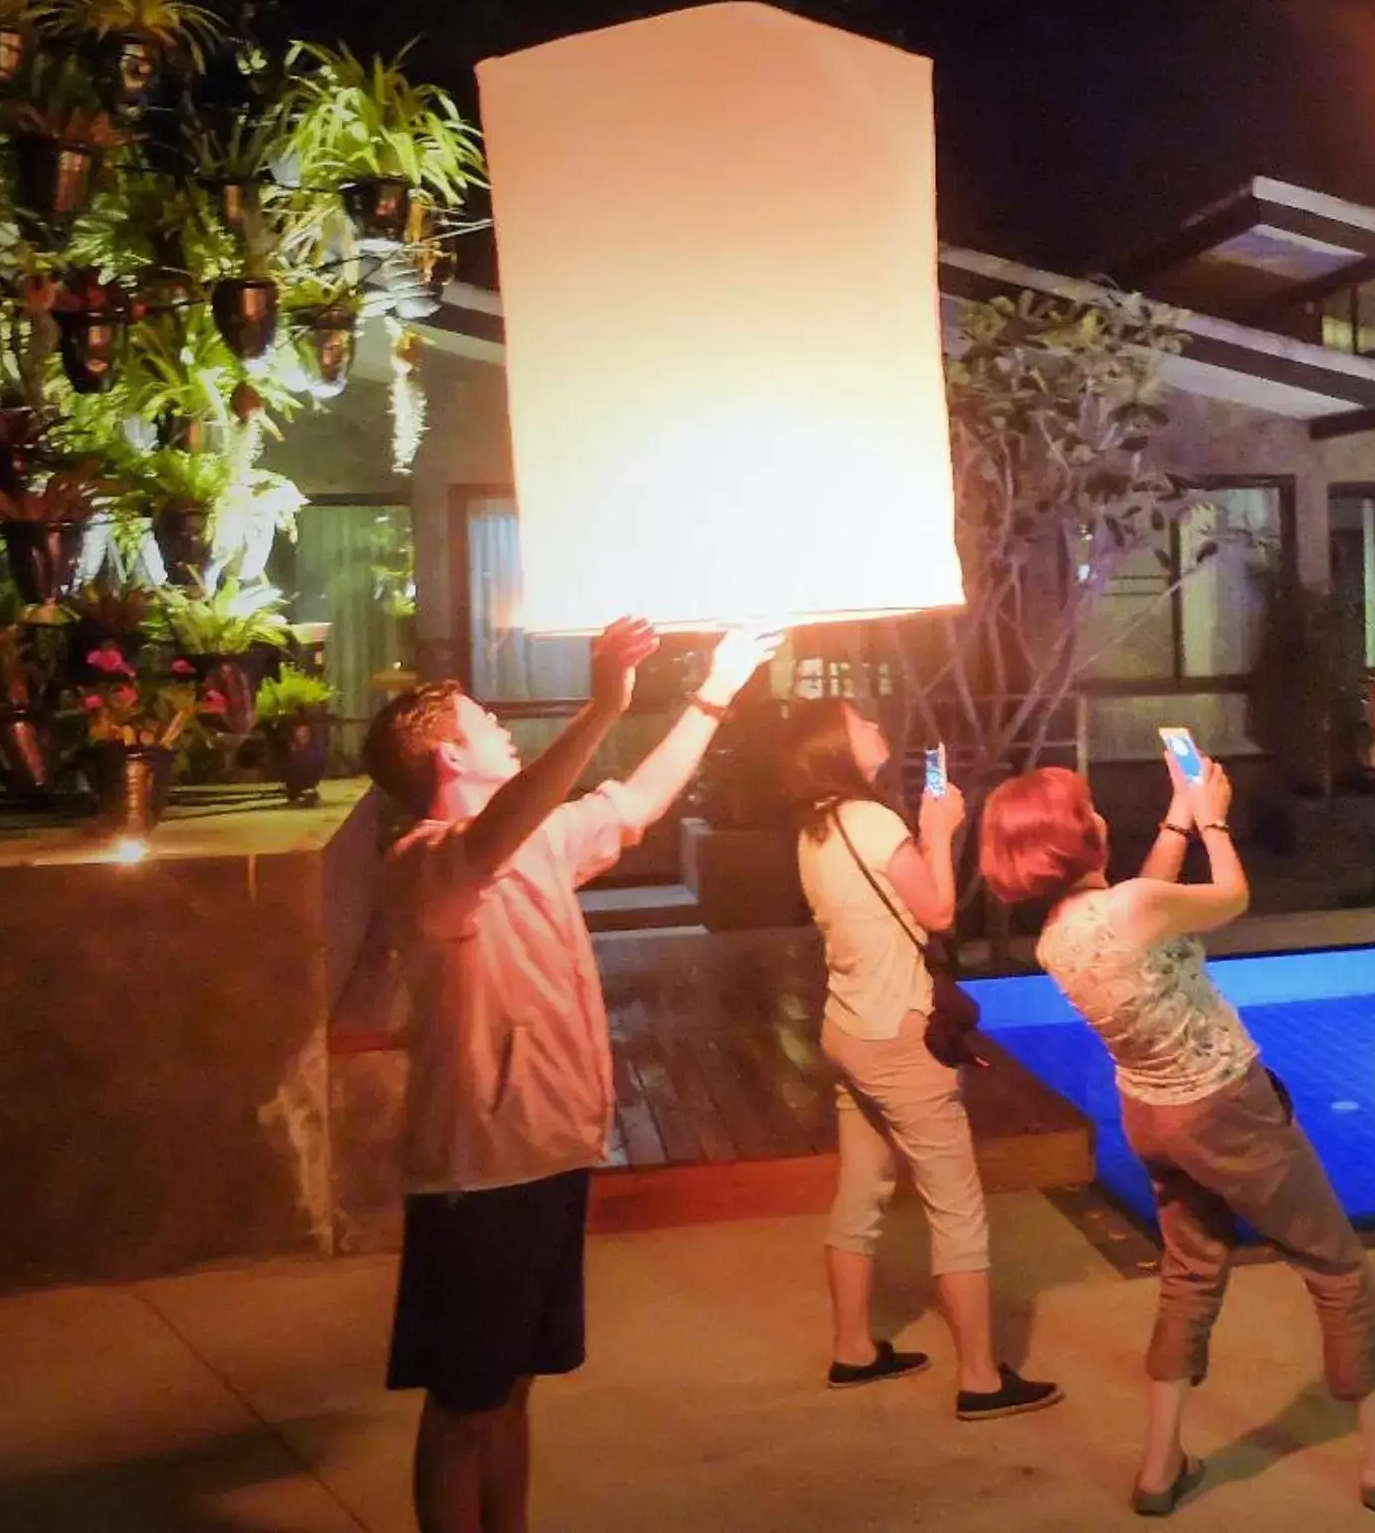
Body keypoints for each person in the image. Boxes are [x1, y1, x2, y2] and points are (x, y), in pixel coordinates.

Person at [362, 618, 780, 1533]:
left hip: (548, 1155)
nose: (504, 727)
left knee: (512, 1390)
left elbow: (635, 803)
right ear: (445, 759)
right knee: (466, 1402)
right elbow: (492, 840)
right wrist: (601, 706)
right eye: (484, 722)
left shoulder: (541, 840)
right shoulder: (426, 863)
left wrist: (716, 689)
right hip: (479, 1174)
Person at [978, 754, 1375, 1518]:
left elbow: (1148, 902)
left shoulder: (1061, 938)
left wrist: (1177, 813)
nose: (1099, 812)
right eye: (1088, 809)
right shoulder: (1133, 908)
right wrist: (1211, 819)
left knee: (1190, 1274)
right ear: (1076, 837)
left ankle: (1159, 1467)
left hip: (1151, 1118)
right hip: (1224, 1112)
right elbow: (1227, 896)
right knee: (1337, 1270)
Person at [779, 698, 1062, 1419]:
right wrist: (940, 830)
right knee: (956, 1205)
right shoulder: (874, 822)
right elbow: (937, 911)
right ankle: (980, 1379)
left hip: (847, 1027)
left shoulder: (817, 827)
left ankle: (852, 1349)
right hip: (899, 1036)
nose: (878, 727)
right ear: (837, 746)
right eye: (861, 723)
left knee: (862, 1190)